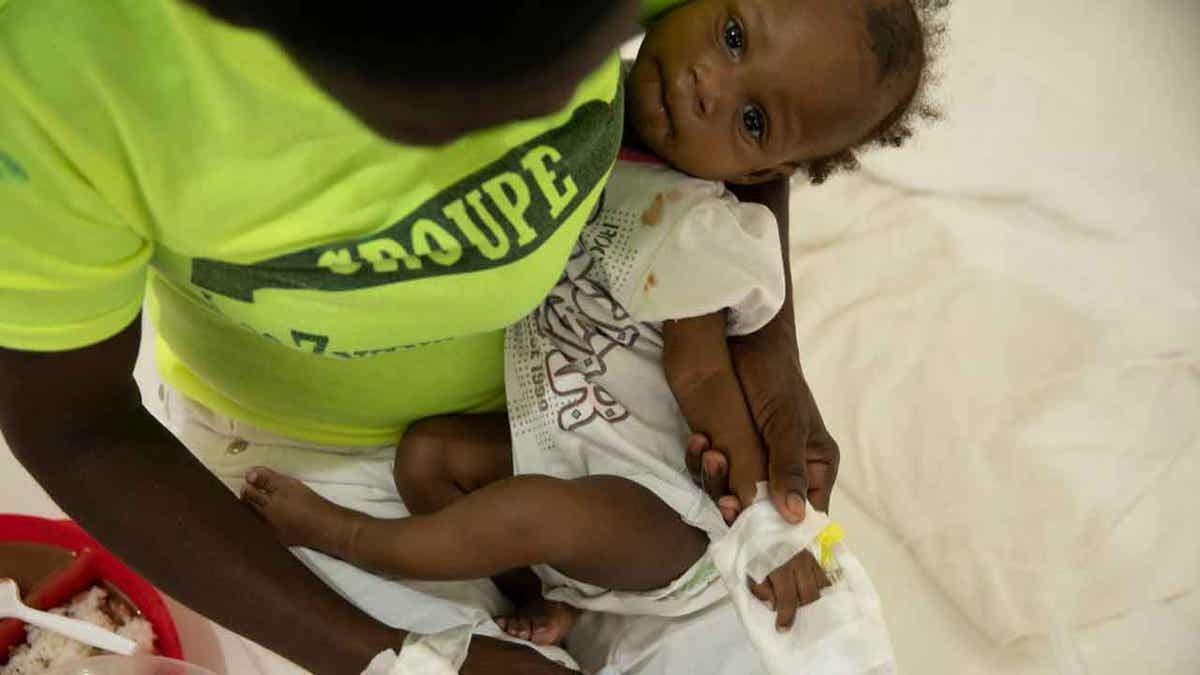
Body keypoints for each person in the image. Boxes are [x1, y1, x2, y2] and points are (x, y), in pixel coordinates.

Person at [0, 1, 844, 673]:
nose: (518, 130)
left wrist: (768, 340)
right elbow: (73, 420)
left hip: (585, 393)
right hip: (292, 452)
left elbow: (789, 85)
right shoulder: (48, 67)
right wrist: (388, 658)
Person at [239, 0, 931, 656]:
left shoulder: (688, 227)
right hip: (564, 445)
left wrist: (766, 522)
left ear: (762, 172)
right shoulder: (582, 101)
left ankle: (350, 537)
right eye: (732, 37)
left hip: (657, 508)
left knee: (540, 512)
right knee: (427, 459)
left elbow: (701, 374)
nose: (707, 86)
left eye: (751, 120)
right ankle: (544, 596)